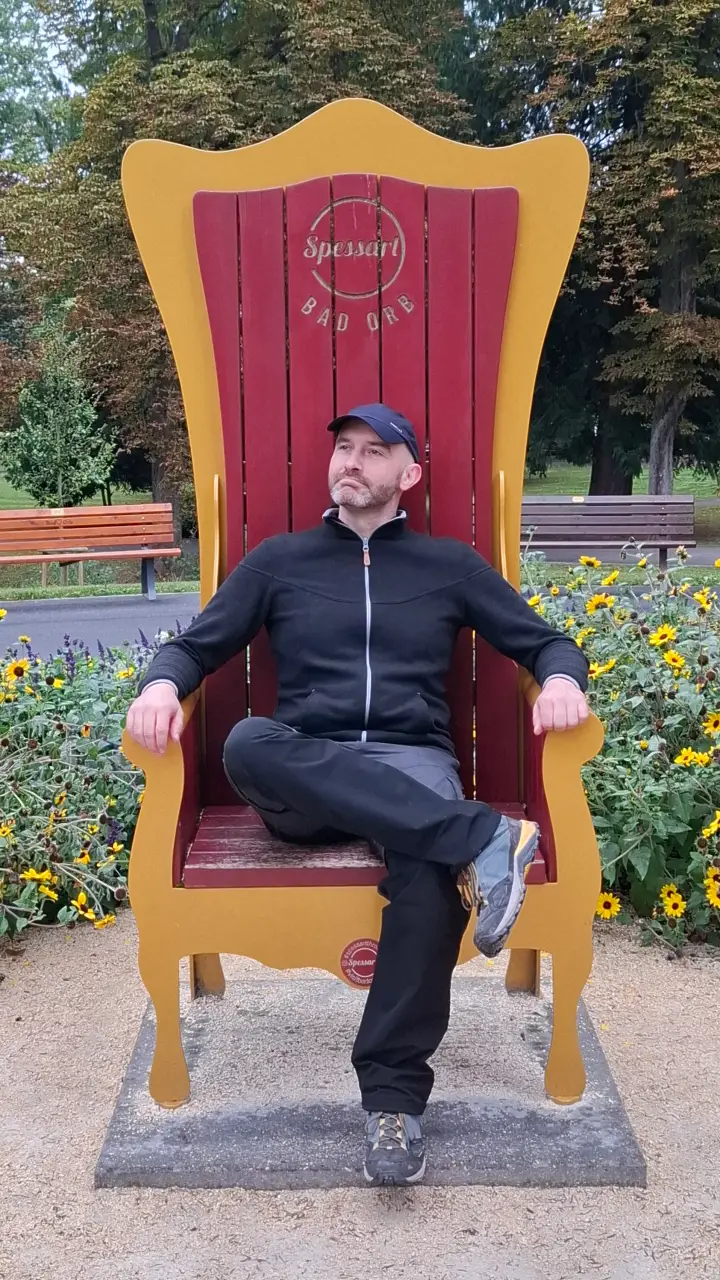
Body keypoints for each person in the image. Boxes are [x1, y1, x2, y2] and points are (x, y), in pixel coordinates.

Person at [125, 403, 590, 1187]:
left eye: (376, 452)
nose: (353, 462)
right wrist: (162, 686)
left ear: (409, 475)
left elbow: (546, 639)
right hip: (309, 771)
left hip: (414, 769)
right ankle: (477, 834)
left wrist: (562, 679)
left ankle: (394, 1103)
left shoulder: (451, 567)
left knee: (428, 874)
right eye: (344, 447)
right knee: (248, 742)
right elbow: (194, 645)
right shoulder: (280, 561)